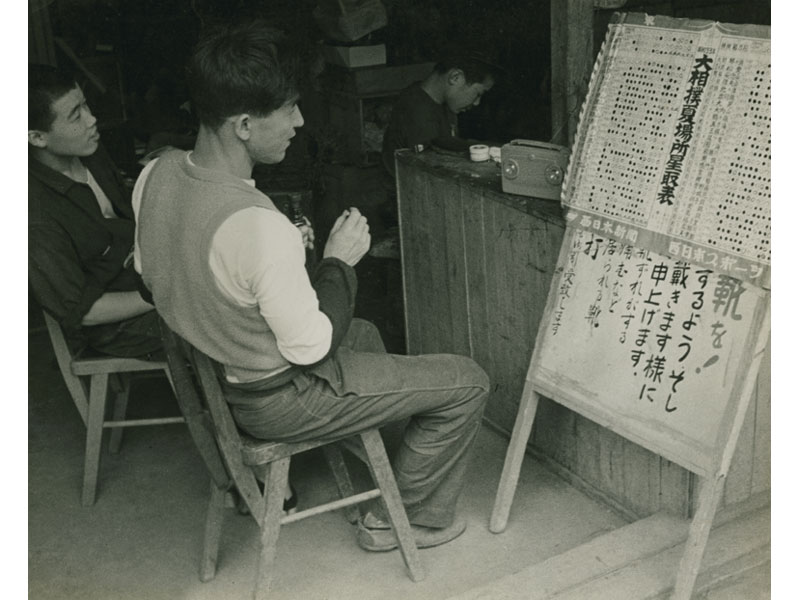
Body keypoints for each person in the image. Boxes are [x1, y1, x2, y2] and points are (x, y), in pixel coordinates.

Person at [134, 21, 490, 552]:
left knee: (364, 333)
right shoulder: (257, 225)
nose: (300, 122)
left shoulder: (155, 174)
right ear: (244, 125)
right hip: (273, 399)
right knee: (468, 382)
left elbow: (148, 278)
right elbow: (311, 349)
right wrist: (338, 262)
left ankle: (387, 460)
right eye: (290, 109)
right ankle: (402, 521)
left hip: (217, 371)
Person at [28, 64, 161, 359]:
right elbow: (84, 312)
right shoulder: (35, 217)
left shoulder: (88, 151)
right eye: (76, 115)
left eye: (85, 104)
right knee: (221, 320)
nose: (92, 120)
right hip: (116, 324)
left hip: (146, 275)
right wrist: (165, 295)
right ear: (37, 138)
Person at [381, 48, 498, 178]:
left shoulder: (442, 101)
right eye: (478, 94)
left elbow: (449, 143)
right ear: (455, 77)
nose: (477, 103)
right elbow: (430, 171)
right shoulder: (418, 110)